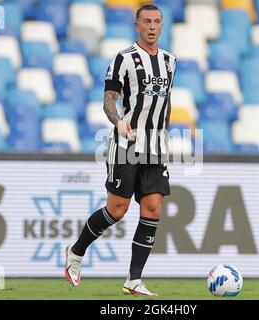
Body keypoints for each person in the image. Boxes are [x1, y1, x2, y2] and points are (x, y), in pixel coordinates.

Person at [64, 4, 176, 297]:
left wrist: (165, 133)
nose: (152, 26)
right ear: (137, 25)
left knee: (153, 208)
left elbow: (164, 104)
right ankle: (75, 253)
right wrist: (118, 124)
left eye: (157, 22)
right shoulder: (124, 59)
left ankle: (134, 279)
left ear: (161, 26)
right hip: (127, 145)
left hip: (156, 147)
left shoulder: (169, 61)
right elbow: (108, 101)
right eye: (146, 22)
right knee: (118, 209)